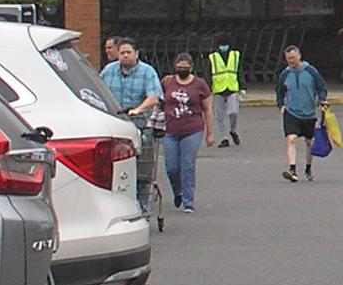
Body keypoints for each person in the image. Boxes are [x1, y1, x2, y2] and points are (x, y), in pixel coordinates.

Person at [101, 40, 165, 218]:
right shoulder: (108, 71)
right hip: (114, 127)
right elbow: (97, 93)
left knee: (142, 170)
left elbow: (155, 97)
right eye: (122, 53)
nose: (125, 56)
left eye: (128, 52)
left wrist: (138, 110)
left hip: (140, 126)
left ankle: (143, 207)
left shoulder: (147, 72)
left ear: (136, 53)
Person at [160, 55, 212, 212]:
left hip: (192, 130)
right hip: (170, 130)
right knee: (172, 168)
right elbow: (159, 101)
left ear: (191, 68)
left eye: (185, 68)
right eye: (179, 67)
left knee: (187, 165)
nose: (182, 70)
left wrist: (210, 133)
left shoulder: (200, 84)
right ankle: (178, 191)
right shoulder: (167, 82)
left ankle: (188, 201)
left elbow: (207, 109)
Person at [275, 45, 330, 182]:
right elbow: (279, 92)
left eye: (293, 58)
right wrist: (281, 105)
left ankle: (308, 168)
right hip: (291, 112)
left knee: (309, 142)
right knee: (291, 139)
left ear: (299, 56)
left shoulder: (310, 71)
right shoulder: (285, 74)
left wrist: (322, 100)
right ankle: (292, 169)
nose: (291, 61)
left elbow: (322, 87)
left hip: (309, 113)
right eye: (288, 59)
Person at [207, 40, 243, 146]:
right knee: (219, 115)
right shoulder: (213, 57)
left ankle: (233, 130)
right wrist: (207, 88)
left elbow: (239, 71)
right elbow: (208, 73)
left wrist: (242, 87)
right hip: (218, 88)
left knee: (233, 112)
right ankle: (224, 138)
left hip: (232, 87)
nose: (223, 47)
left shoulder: (235, 55)